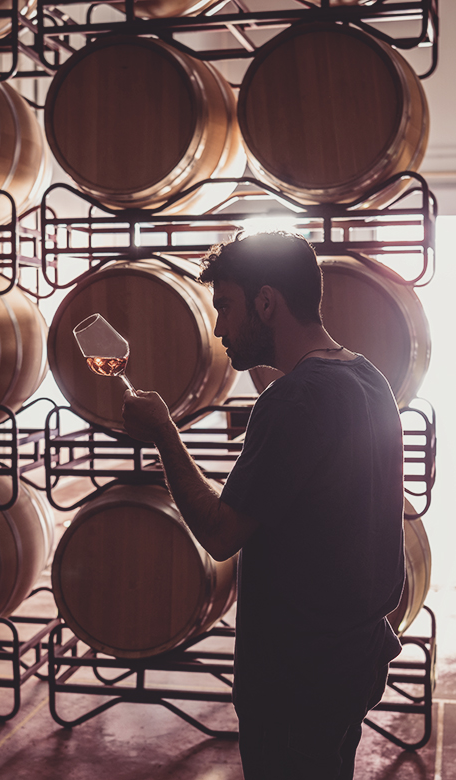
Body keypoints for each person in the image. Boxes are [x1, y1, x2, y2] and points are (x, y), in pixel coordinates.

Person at [122, 231, 405, 779]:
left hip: (295, 678)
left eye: (225, 306)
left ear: (268, 302)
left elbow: (221, 534)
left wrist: (164, 433)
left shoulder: (293, 401)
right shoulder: (364, 377)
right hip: (352, 658)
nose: (219, 326)